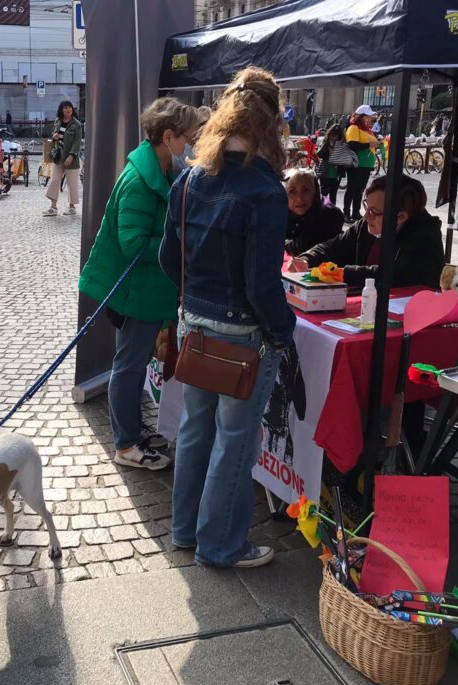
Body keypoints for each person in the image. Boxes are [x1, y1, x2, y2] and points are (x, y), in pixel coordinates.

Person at [158, 68, 295, 569]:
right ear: (271, 121)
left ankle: (186, 532)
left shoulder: (193, 177)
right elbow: (263, 284)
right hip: (242, 334)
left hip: (197, 322)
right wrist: (284, 330)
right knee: (234, 444)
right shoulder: (264, 189)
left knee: (196, 430)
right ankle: (221, 546)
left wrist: (191, 304)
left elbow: (168, 259)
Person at [79, 97, 199, 470]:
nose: (190, 146)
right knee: (128, 366)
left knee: (131, 364)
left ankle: (131, 431)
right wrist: (180, 243)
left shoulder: (158, 170)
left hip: (144, 290)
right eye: (187, 138)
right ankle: (127, 444)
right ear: (168, 136)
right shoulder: (140, 179)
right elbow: (132, 243)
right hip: (134, 292)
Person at [301, 174, 444, 289]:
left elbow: (395, 276)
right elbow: (333, 247)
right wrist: (306, 259)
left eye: (374, 211)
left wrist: (342, 273)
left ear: (400, 216)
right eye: (366, 207)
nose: (366, 216)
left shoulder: (424, 237)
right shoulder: (366, 224)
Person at [283, 168, 344, 259]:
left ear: (315, 191)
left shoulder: (329, 214)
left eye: (306, 190)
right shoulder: (280, 213)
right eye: (292, 191)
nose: (299, 198)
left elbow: (303, 246)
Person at [43, 100, 84, 216]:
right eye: (65, 108)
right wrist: (54, 136)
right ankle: (53, 207)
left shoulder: (77, 125)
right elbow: (54, 135)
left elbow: (77, 142)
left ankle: (72, 207)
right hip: (58, 156)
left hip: (71, 157)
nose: (68, 110)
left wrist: (71, 156)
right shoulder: (58, 121)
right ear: (61, 110)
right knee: (55, 180)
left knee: (72, 182)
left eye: (70, 107)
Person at [343, 105, 379, 223]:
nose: (370, 119)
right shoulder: (353, 128)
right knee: (352, 189)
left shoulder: (367, 130)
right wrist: (369, 145)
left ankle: (356, 213)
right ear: (360, 117)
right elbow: (352, 145)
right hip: (356, 164)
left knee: (359, 190)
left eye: (370, 117)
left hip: (366, 165)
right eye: (367, 117)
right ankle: (346, 213)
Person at [315, 123, 344, 206]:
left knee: (333, 195)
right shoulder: (326, 142)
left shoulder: (342, 145)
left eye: (336, 135)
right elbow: (319, 154)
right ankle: (321, 212)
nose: (334, 138)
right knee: (324, 194)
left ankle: (332, 213)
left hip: (336, 173)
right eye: (333, 135)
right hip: (325, 172)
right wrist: (327, 143)